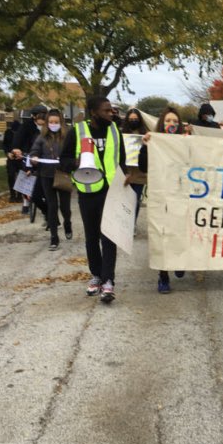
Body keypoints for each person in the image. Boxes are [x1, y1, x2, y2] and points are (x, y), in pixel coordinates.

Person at [59, 96, 127, 303]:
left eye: (111, 110)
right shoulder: (78, 131)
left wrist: (123, 178)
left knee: (109, 237)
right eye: (106, 110)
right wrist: (76, 162)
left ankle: (108, 281)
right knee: (91, 237)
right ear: (94, 112)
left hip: (111, 190)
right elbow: (63, 160)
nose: (111, 113)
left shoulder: (115, 130)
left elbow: (121, 158)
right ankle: (96, 275)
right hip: (88, 191)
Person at [137, 107, 187, 293]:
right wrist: (145, 146)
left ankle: (180, 262)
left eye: (175, 121)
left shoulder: (186, 142)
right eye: (167, 121)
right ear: (161, 124)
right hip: (160, 198)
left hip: (182, 196)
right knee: (162, 236)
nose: (171, 124)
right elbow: (143, 167)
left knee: (180, 232)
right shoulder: (154, 142)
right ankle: (163, 276)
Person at [29, 109, 72, 251]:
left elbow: (73, 152)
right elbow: (34, 151)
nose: (54, 124)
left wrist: (70, 162)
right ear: (47, 123)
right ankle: (54, 237)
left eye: (56, 122)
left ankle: (67, 222)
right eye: (51, 122)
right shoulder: (42, 137)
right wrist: (34, 158)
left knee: (65, 207)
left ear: (61, 123)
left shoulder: (67, 136)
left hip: (63, 174)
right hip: (46, 175)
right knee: (51, 206)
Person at [12, 105, 48, 215]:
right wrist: (16, 148)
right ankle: (25, 202)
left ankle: (45, 198)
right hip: (27, 151)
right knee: (24, 173)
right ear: (34, 116)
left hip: (43, 154)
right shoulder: (26, 126)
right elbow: (18, 138)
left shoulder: (49, 125)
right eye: (39, 114)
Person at [121, 108, 149, 225]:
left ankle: (132, 223)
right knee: (124, 200)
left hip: (139, 174)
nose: (133, 121)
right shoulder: (121, 133)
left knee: (135, 200)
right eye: (131, 119)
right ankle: (124, 222)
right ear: (127, 119)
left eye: (136, 119)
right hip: (125, 173)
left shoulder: (145, 133)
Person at [3, 120, 21, 202]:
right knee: (11, 175)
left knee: (21, 177)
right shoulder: (8, 133)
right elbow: (5, 144)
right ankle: (12, 194)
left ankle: (19, 195)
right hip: (11, 158)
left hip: (20, 158)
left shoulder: (22, 133)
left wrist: (21, 154)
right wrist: (7, 153)